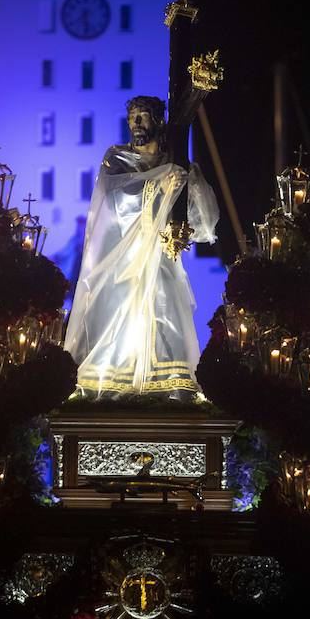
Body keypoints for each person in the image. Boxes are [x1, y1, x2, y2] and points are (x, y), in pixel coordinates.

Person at [64, 95, 219, 399]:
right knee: (118, 325)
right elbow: (116, 196)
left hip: (160, 258)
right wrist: (158, 183)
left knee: (165, 315)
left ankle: (168, 388)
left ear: (158, 121)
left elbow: (203, 221)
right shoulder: (117, 159)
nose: (136, 123)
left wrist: (188, 179)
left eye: (143, 116)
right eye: (132, 117)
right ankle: (114, 387)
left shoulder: (172, 162)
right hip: (122, 262)